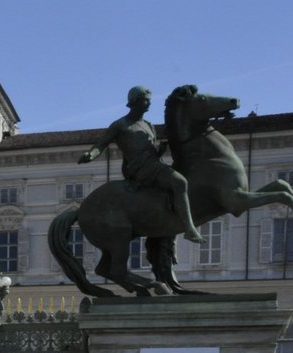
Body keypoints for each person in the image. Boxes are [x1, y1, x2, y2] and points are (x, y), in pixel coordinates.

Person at [78, 85, 203, 243]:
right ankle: (189, 228)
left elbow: (151, 150)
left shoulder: (149, 126)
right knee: (180, 182)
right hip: (140, 169)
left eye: (149, 100)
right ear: (135, 101)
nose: (149, 103)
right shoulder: (121, 125)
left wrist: (159, 150)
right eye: (145, 100)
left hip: (153, 164)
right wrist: (90, 155)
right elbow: (100, 145)